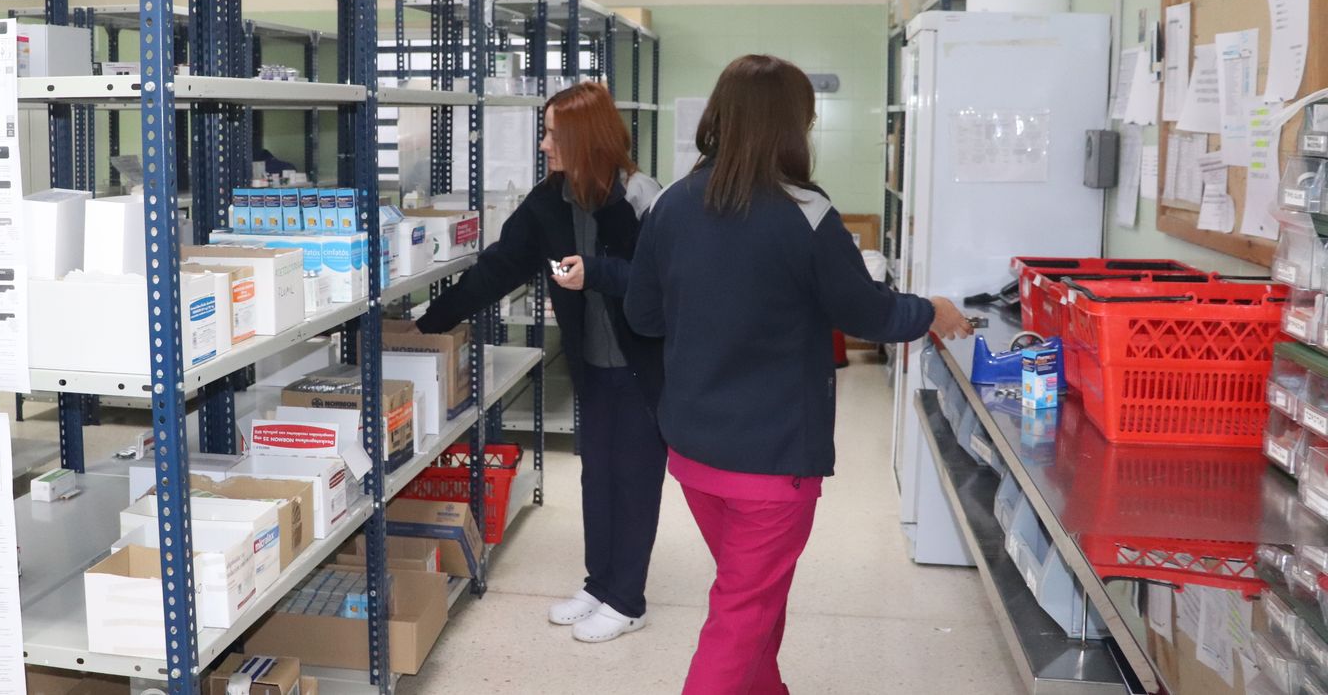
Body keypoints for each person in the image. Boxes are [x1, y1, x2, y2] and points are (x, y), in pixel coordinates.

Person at [624, 55, 973, 694]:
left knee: (755, 597)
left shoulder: (671, 203)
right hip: (773, 459)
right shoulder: (807, 212)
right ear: (792, 126)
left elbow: (642, 316)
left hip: (695, 452)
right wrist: (931, 311)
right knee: (742, 611)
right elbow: (867, 313)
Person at [414, 81, 666, 644]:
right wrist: (428, 324)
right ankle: (600, 586)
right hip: (591, 367)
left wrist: (597, 272)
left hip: (643, 368)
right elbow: (498, 268)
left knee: (634, 480)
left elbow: (663, 281)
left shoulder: (640, 196)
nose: (544, 144)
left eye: (553, 134)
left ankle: (629, 600)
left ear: (586, 137)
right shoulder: (550, 199)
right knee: (598, 476)